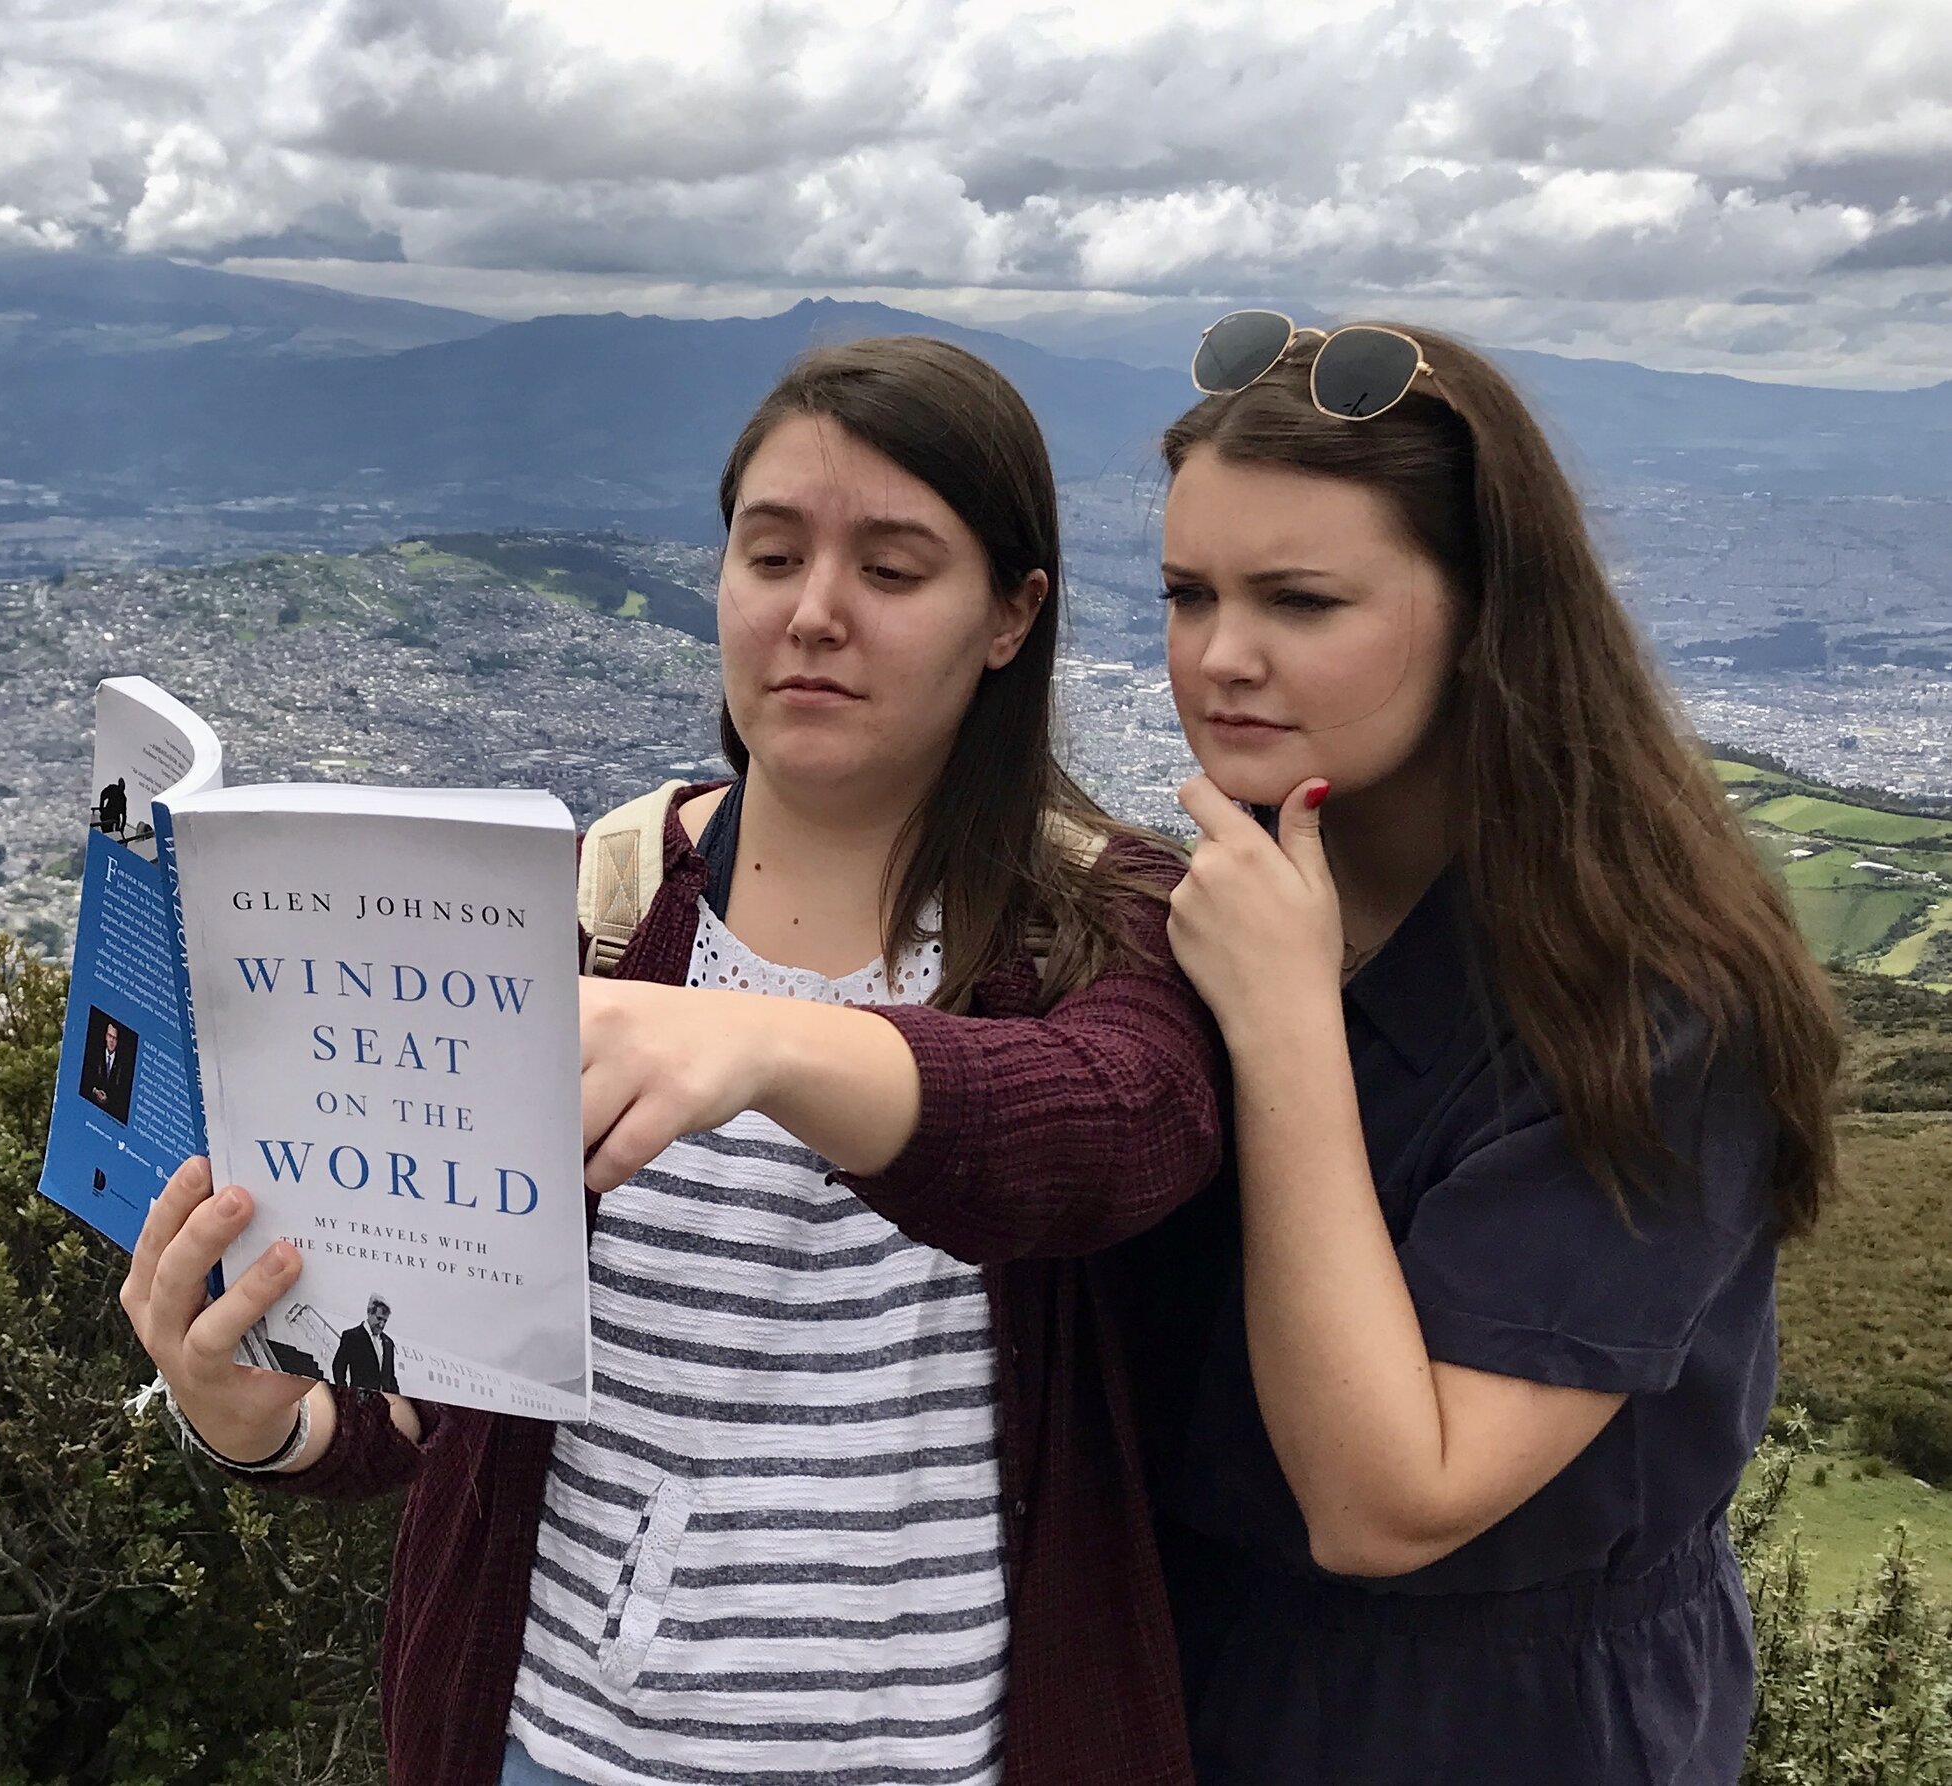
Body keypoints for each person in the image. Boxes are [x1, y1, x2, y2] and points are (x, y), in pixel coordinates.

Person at [118, 336, 1225, 1786]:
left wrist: (766, 1038)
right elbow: (433, 1384)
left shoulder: (1106, 920)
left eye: (892, 572)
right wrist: (265, 1419)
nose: (814, 614)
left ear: (1011, 615)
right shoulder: (591, 909)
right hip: (564, 1747)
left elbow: (1116, 1132)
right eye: (771, 557)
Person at [1145, 313, 1840, 1784]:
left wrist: (1282, 1030)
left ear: (1485, 618)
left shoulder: (1657, 1004)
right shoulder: (1230, 902)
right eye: (1186, 592)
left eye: (1303, 600)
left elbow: (1389, 1498)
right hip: (1186, 1663)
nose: (1221, 656)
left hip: (1504, 1722)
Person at [332, 1295, 399, 1395]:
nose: (382, 1324)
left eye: (385, 1321)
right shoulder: (352, 1337)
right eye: (379, 1318)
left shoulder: (388, 1343)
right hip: (359, 1401)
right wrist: (344, 1393)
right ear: (369, 1313)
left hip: (383, 1403)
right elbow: (338, 1366)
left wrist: (397, 1400)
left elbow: (390, 1377)